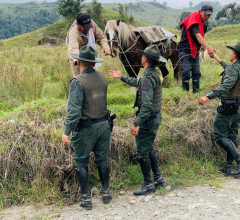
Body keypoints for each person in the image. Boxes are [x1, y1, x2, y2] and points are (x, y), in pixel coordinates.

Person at [108, 45, 166, 196]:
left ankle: (148, 184)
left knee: (142, 152)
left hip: (147, 119)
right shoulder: (154, 73)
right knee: (149, 148)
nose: (141, 57)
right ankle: (158, 179)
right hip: (154, 117)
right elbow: (138, 83)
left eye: (143, 55)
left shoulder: (147, 77)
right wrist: (121, 77)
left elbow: (146, 105)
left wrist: (136, 123)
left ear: (145, 59)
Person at [62, 45, 112, 210]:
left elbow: (74, 111)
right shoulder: (102, 78)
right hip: (104, 125)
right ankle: (106, 194)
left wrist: (66, 131)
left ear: (79, 62)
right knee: (102, 160)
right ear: (93, 63)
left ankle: (86, 199)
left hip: (86, 128)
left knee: (81, 162)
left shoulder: (77, 82)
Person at [198, 41, 240, 177]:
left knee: (219, 136)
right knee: (232, 137)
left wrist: (208, 96)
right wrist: (217, 58)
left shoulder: (234, 70)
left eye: (231, 52)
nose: (230, 53)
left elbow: (226, 86)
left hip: (229, 107)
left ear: (234, 55)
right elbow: (229, 69)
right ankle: (228, 166)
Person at [178, 4, 216, 93]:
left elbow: (199, 37)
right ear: (201, 11)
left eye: (209, 15)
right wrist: (208, 48)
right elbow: (198, 36)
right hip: (186, 50)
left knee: (196, 73)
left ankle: (196, 94)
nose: (207, 17)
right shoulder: (194, 17)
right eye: (206, 14)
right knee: (186, 73)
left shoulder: (203, 22)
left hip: (195, 50)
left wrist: (202, 45)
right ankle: (185, 95)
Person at [66, 12, 111, 77]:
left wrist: (105, 47)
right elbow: (73, 50)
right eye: (85, 28)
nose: (88, 30)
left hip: (90, 58)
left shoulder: (92, 24)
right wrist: (81, 62)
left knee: (92, 78)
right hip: (78, 61)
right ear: (78, 24)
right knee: (80, 81)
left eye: (88, 27)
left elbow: (101, 37)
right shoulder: (73, 32)